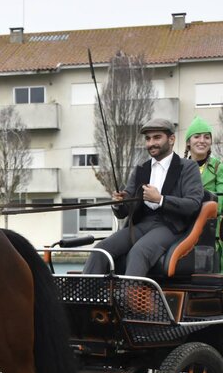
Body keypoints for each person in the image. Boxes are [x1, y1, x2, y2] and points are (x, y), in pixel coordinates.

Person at [83, 118, 204, 276]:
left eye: (157, 137)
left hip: (170, 227)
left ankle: (130, 300)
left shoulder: (188, 168)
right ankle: (87, 298)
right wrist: (119, 203)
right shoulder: (141, 169)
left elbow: (193, 204)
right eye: (148, 138)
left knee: (139, 252)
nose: (151, 143)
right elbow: (124, 211)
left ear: (171, 139)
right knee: (101, 249)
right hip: (141, 225)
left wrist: (160, 199)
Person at [183, 116, 223, 271]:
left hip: (208, 234)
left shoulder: (220, 168)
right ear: (188, 142)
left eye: (207, 137)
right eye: (197, 136)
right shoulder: (178, 168)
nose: (202, 140)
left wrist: (204, 197)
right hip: (182, 231)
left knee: (204, 280)